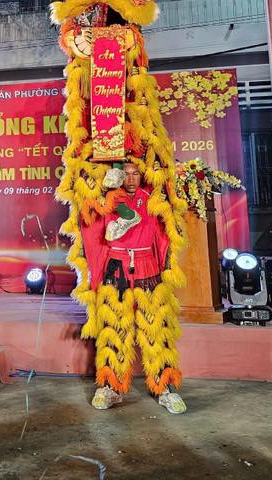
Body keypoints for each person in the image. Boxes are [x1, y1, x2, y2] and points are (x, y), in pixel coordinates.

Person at [82, 162, 187, 413]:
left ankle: (165, 388)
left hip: (146, 265)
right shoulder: (106, 199)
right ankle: (110, 387)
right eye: (126, 174)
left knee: (156, 328)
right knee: (114, 327)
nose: (130, 179)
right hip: (115, 265)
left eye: (135, 173)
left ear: (143, 176)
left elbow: (167, 230)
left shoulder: (152, 200)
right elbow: (87, 219)